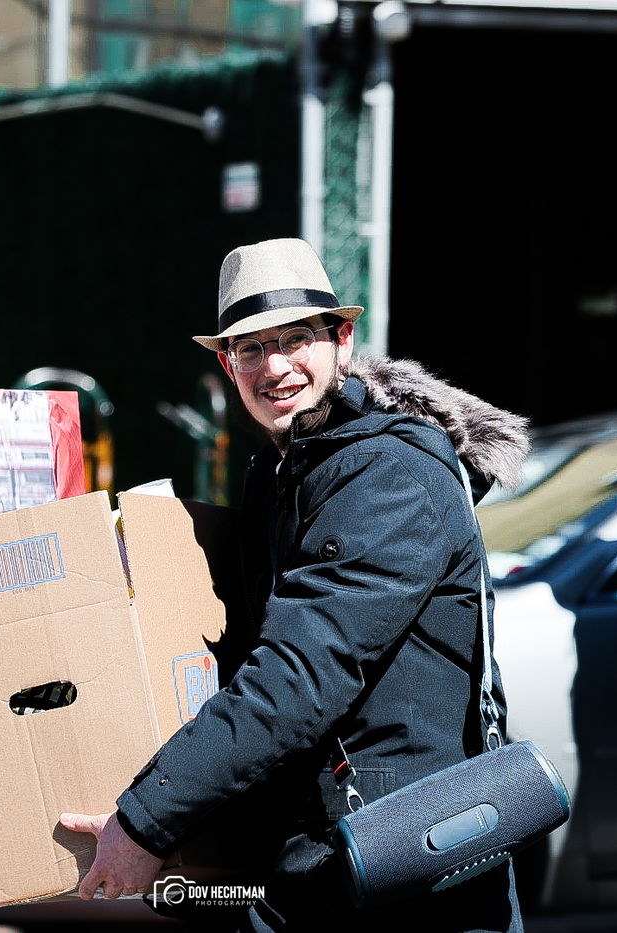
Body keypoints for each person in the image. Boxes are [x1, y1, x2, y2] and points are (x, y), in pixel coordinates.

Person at [60, 237, 531, 930]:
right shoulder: (284, 472)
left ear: (342, 340)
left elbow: (301, 676)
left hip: (411, 865)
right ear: (226, 363)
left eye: (296, 339)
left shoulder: (386, 475)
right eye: (250, 348)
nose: (274, 365)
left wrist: (147, 819)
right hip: (325, 857)